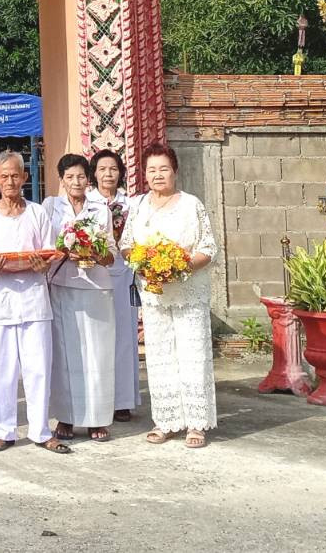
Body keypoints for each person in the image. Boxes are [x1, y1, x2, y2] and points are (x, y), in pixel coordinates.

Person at [0, 151, 69, 454]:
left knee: (38, 369)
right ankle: (2, 430)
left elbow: (50, 252)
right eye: (4, 176)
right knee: (1, 370)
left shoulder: (37, 213)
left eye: (15, 175)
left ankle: (40, 430)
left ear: (25, 178)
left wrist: (41, 265)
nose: (10, 181)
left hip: (35, 301)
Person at [119, 143, 217, 448]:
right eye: (151, 170)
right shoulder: (138, 206)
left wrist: (180, 265)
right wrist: (144, 265)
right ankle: (166, 421)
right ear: (144, 174)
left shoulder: (191, 205)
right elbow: (125, 245)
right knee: (160, 357)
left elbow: (209, 248)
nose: (158, 175)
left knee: (192, 355)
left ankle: (196, 424)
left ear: (174, 171)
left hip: (188, 292)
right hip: (154, 295)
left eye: (163, 169)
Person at [42, 153, 116, 443]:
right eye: (70, 177)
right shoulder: (51, 206)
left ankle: (98, 419)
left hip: (96, 288)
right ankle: (66, 418)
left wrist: (93, 252)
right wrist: (64, 251)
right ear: (61, 180)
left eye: (81, 176)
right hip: (62, 284)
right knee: (66, 354)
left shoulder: (101, 209)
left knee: (97, 355)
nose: (76, 182)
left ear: (89, 179)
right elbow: (45, 247)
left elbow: (111, 255)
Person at [89, 149, 139, 423]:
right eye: (102, 169)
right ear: (94, 173)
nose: (108, 174)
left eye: (113, 169)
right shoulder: (87, 204)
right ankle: (98, 397)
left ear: (120, 173)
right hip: (93, 275)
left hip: (123, 274)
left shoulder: (131, 204)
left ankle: (122, 400)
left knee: (123, 337)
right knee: (97, 338)